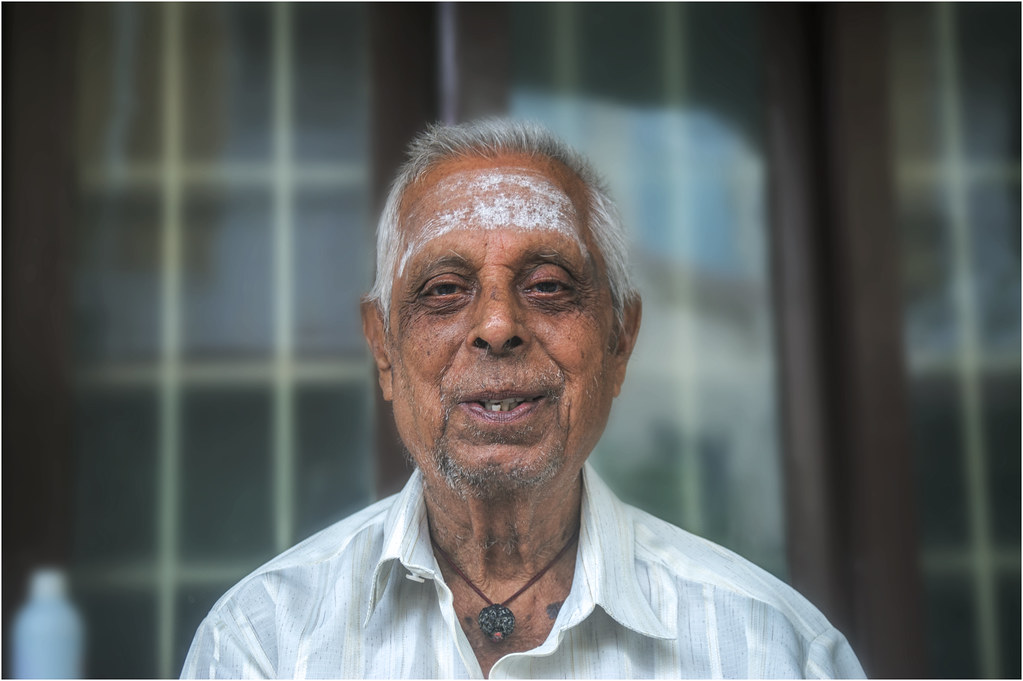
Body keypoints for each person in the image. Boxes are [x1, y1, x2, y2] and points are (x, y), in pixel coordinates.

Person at [181, 119, 865, 679]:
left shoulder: (777, 653)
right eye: (444, 290)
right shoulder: (262, 643)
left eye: (547, 286)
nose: (497, 325)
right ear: (383, 349)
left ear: (619, 340)